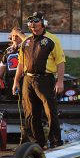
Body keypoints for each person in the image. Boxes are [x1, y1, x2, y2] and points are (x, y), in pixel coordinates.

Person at [12, 11, 65, 149]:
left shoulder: (52, 40)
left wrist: (60, 81)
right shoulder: (26, 41)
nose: (33, 24)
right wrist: (16, 81)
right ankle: (37, 143)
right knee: (30, 113)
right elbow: (21, 63)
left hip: (45, 79)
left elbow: (60, 62)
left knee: (50, 112)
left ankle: (55, 142)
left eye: (36, 21)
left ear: (42, 23)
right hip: (28, 80)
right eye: (30, 21)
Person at [0, 28, 23, 99]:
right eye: (13, 36)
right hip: (10, 80)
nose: (14, 38)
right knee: (10, 100)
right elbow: (2, 65)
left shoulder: (26, 48)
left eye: (17, 36)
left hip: (23, 79)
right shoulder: (8, 50)